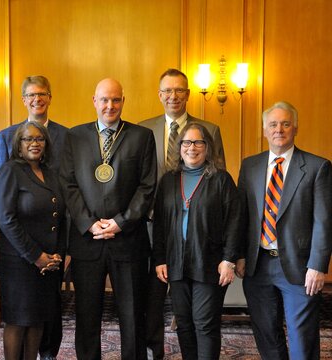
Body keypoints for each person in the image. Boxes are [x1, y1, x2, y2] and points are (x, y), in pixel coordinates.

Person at [60, 78, 157, 360]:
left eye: (115, 100)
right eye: (104, 100)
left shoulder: (141, 137)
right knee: (87, 314)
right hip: (87, 242)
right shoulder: (75, 137)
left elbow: (147, 186)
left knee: (131, 314)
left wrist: (121, 222)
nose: (110, 105)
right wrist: (89, 223)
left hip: (128, 239)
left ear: (123, 101)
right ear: (94, 101)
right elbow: (68, 185)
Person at [139, 68, 226, 359]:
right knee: (152, 301)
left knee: (198, 315)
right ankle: (154, 350)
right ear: (160, 94)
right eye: (167, 90)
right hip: (152, 228)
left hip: (198, 236)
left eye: (179, 90)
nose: (173, 96)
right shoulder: (143, 129)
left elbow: (220, 188)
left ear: (188, 94)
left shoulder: (209, 130)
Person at [236, 101, 332, 359]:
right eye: (273, 124)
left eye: (285, 124)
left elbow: (324, 221)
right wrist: (241, 255)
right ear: (265, 130)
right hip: (258, 265)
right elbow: (242, 216)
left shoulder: (317, 167)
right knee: (267, 335)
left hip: (301, 268)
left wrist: (318, 265)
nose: (279, 129)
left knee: (302, 339)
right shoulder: (250, 166)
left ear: (295, 128)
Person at [152, 123, 240, 359]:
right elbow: (159, 222)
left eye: (198, 142)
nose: (192, 148)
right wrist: (160, 258)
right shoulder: (168, 180)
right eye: (187, 142)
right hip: (176, 263)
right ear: (179, 147)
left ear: (207, 147)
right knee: (184, 323)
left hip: (209, 263)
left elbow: (235, 221)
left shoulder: (221, 179)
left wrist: (229, 259)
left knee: (204, 323)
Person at [0, 75, 67, 360]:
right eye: (28, 139)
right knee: (18, 321)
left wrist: (58, 253)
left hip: (48, 260)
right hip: (20, 260)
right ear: (18, 143)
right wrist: (36, 255)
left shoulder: (49, 173)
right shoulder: (11, 170)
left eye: (39, 139)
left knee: (37, 320)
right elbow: (6, 218)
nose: (34, 143)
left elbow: (60, 213)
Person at [0, 75, 68, 172]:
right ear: (24, 100)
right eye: (31, 95)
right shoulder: (6, 136)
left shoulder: (66, 135)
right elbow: (1, 177)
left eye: (42, 94)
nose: (37, 99)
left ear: (49, 98)